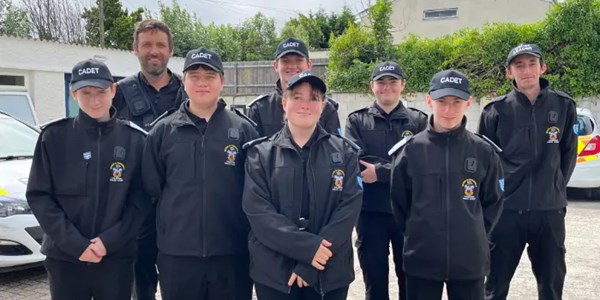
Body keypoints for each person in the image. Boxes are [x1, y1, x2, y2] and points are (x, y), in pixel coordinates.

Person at [26, 59, 150, 300]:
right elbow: (39, 196)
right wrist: (76, 245)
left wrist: (108, 242)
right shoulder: (53, 137)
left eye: (101, 92)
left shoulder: (134, 140)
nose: (95, 100)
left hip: (116, 258)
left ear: (113, 90)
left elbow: (142, 200)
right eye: (86, 92)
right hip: (66, 259)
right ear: (74, 94)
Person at [142, 47, 258, 300]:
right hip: (178, 258)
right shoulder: (162, 132)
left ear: (222, 82)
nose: (202, 83)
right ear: (184, 81)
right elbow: (152, 191)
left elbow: (256, 194)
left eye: (210, 76)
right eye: (194, 76)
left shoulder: (244, 131)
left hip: (232, 255)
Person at [242, 71, 363, 300]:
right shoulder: (260, 154)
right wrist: (308, 250)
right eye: (298, 97)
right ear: (284, 103)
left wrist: (312, 262)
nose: (305, 105)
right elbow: (258, 213)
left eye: (314, 98)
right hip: (275, 274)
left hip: (329, 272)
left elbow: (348, 211)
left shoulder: (345, 153)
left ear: (323, 106)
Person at [389, 70, 504, 300]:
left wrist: (472, 234)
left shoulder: (483, 151)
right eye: (442, 102)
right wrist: (418, 234)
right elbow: (399, 204)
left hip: (469, 261)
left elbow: (493, 203)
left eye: (456, 102)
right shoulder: (411, 151)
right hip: (422, 261)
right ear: (429, 100)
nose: (449, 110)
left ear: (468, 103)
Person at [478, 44, 577, 300]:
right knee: (494, 286)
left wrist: (554, 187)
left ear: (542, 68)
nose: (526, 70)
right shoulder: (495, 111)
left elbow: (567, 154)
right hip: (507, 213)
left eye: (531, 64)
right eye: (519, 65)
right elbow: (485, 163)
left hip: (549, 212)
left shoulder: (564, 105)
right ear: (509, 72)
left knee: (552, 286)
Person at [112, 19, 185, 300]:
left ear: (170, 51)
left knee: (179, 286)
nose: (153, 51)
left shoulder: (188, 93)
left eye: (160, 45)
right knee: (139, 288)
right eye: (146, 45)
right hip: (135, 209)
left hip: (178, 211)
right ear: (135, 49)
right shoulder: (118, 94)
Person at [344, 61, 427, 300]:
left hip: (408, 214)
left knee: (410, 283)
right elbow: (358, 163)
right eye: (381, 82)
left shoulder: (418, 121)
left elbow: (421, 164)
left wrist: (380, 172)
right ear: (372, 86)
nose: (387, 87)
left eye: (393, 81)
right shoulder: (357, 121)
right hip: (370, 214)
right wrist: (399, 168)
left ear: (403, 85)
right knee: (375, 284)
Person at [246, 37, 340, 137]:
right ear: (276, 66)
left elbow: (336, 148)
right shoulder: (260, 109)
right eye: (285, 61)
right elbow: (253, 150)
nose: (292, 66)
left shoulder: (327, 108)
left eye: (299, 60)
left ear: (309, 65)